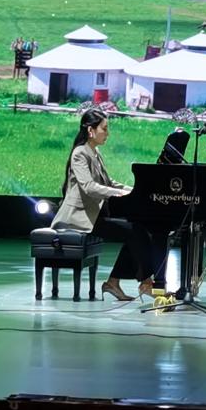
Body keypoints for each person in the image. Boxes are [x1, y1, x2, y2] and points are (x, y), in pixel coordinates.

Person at [51, 108, 154, 301]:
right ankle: (146, 282)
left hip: (96, 216)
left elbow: (108, 182)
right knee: (135, 231)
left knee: (137, 229)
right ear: (91, 130)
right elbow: (89, 187)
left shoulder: (94, 152)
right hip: (78, 220)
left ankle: (116, 282)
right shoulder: (79, 153)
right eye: (104, 129)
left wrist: (134, 190)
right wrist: (119, 193)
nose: (107, 133)